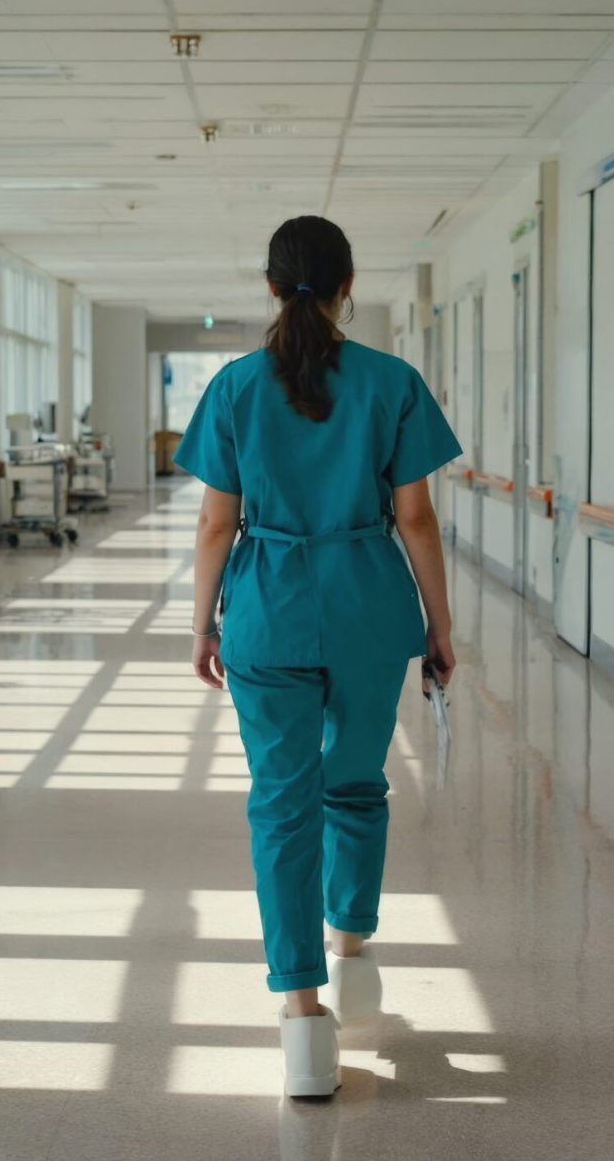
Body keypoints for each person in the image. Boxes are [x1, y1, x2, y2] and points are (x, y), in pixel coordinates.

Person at [174, 216, 461, 1098]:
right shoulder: (393, 382)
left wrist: (202, 626)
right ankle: (355, 954)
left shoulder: (232, 387)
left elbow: (217, 521)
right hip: (371, 607)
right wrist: (440, 626)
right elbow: (413, 517)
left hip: (266, 609)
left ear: (271, 287)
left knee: (282, 804)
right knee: (357, 784)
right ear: (348, 286)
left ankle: (302, 1013)